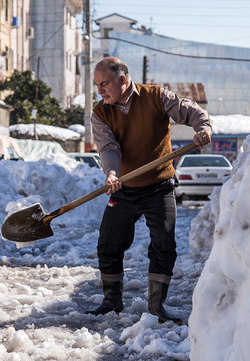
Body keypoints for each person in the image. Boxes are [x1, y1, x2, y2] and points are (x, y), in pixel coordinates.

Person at [85, 57, 212, 324]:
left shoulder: (156, 97)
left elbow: (191, 111)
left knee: (164, 245)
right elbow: (108, 148)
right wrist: (111, 174)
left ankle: (157, 307)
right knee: (108, 244)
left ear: (122, 79)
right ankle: (111, 302)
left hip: (159, 187)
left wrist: (203, 128)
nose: (100, 91)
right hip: (124, 187)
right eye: (97, 85)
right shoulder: (100, 113)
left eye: (104, 84)